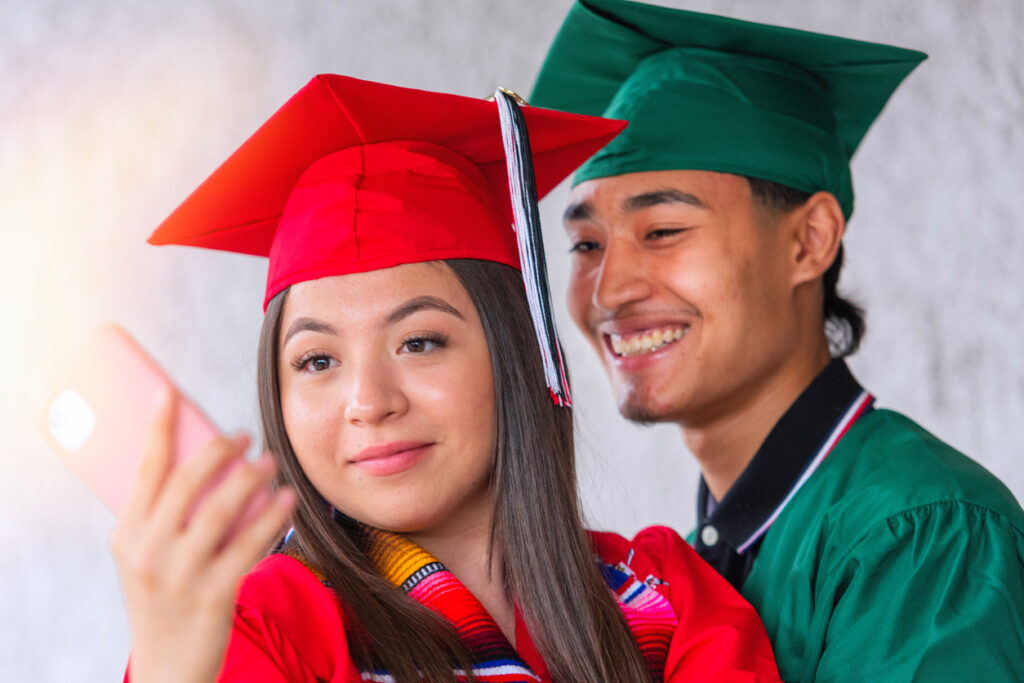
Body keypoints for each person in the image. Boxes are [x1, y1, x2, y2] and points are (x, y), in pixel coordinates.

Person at [110, 74, 782, 682]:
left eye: (419, 342)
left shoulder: (663, 596)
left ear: (515, 356)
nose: (369, 403)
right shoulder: (259, 630)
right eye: (317, 360)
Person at [530, 1, 1024, 681]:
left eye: (664, 231)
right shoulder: (694, 561)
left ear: (808, 240)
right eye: (586, 243)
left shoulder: (921, 535)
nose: (607, 290)